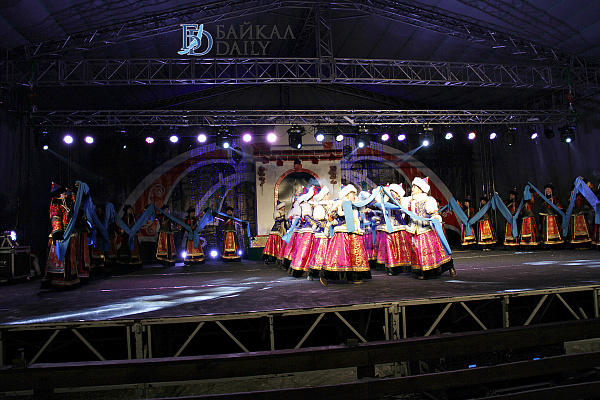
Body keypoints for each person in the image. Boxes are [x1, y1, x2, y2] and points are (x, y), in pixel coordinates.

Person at [402, 177, 455, 279]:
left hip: (426, 230)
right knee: (416, 251)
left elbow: (433, 214)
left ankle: (439, 269)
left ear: (420, 189)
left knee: (429, 251)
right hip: (415, 230)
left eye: (414, 187)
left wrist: (436, 219)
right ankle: (420, 271)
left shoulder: (428, 200)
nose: (412, 189)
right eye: (412, 187)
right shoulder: (410, 200)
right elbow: (398, 202)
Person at [321, 184, 371, 286]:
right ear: (347, 194)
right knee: (338, 256)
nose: (354, 196)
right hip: (343, 233)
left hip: (355, 232)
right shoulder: (341, 203)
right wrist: (334, 218)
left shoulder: (356, 204)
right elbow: (331, 216)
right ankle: (325, 275)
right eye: (353, 194)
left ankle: (354, 276)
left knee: (355, 256)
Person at [42, 183, 80, 289]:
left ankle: (70, 279)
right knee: (61, 259)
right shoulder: (56, 206)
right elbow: (56, 218)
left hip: (68, 235)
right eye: (63, 193)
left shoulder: (66, 205)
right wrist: (57, 231)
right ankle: (58, 280)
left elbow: (73, 202)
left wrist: (75, 191)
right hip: (60, 235)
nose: (65, 195)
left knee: (69, 258)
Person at [376, 184, 411, 276]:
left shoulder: (395, 198)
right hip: (389, 226)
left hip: (396, 225)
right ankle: (393, 266)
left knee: (395, 247)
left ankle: (394, 266)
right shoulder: (386, 198)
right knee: (392, 248)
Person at [290, 186, 318, 277]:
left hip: (316, 231)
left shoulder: (316, 205)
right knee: (305, 251)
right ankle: (300, 270)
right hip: (309, 231)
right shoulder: (307, 206)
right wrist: (315, 224)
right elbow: (306, 217)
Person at [307, 186, 331, 280]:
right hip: (322, 234)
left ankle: (326, 273)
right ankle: (313, 273)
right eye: (327, 194)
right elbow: (319, 222)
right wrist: (326, 227)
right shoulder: (319, 207)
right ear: (324, 196)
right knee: (319, 254)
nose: (329, 196)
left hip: (328, 234)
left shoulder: (328, 206)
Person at [568, 179, 592, 248]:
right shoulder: (572, 198)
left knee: (583, 228)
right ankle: (575, 244)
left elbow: (588, 189)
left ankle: (585, 243)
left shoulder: (581, 196)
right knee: (574, 229)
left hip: (581, 214)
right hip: (574, 215)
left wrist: (584, 181)